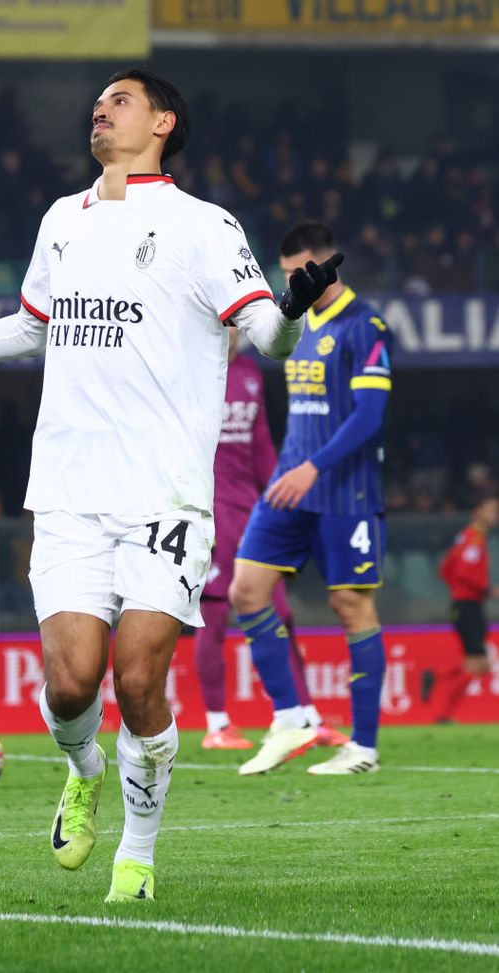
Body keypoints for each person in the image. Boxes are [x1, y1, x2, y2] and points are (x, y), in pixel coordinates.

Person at [0, 68, 342, 902]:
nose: (102, 109)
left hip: (165, 495)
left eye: (121, 100)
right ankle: (82, 771)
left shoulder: (203, 224)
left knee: (139, 678)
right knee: (73, 682)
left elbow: (263, 332)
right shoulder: (61, 220)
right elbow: (31, 326)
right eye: (99, 101)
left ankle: (138, 857)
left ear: (163, 121)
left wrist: (293, 307)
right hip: (71, 488)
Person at [230, 219, 392, 777]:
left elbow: (370, 416)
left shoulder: (364, 326)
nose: (293, 283)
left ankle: (363, 748)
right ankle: (294, 716)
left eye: (302, 273)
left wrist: (312, 467)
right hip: (288, 487)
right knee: (246, 589)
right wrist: (295, 469)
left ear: (324, 264)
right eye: (287, 274)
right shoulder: (297, 324)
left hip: (344, 491)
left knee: (352, 607)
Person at [196, 328, 348, 752]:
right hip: (207, 511)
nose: (229, 331)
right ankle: (216, 724)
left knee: (281, 612)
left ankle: (304, 717)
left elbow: (261, 443)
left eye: (234, 322)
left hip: (252, 510)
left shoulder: (249, 373)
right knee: (215, 612)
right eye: (221, 320)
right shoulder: (187, 367)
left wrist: (277, 500)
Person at [423, 497, 499, 722]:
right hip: (468, 605)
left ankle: (438, 686)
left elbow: (446, 569)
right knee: (478, 663)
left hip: (463, 603)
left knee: (477, 663)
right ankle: (444, 710)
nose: (494, 516)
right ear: (477, 512)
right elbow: (465, 572)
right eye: (491, 510)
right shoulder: (474, 539)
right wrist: (486, 589)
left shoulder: (465, 537)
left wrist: (458, 591)